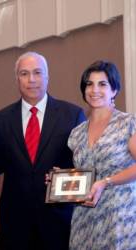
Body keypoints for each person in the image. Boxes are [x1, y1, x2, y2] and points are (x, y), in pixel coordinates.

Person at [0, 51, 86, 250]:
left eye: (37, 72)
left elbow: (83, 165)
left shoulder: (72, 114)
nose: (31, 79)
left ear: (47, 76)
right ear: (17, 79)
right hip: (15, 219)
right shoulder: (1, 119)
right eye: (24, 73)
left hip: (58, 218)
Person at [68, 60, 136, 249]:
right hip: (85, 217)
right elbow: (83, 174)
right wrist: (60, 180)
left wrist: (106, 181)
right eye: (89, 84)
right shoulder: (77, 133)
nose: (94, 89)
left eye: (102, 84)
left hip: (119, 216)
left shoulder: (127, 124)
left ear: (114, 90)